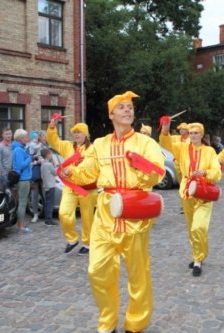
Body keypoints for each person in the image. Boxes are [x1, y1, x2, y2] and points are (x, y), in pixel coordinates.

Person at [63, 91, 165, 333]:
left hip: (135, 210)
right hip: (106, 212)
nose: (128, 110)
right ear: (111, 114)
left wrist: (141, 165)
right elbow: (88, 172)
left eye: (130, 107)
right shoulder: (100, 144)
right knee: (96, 270)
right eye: (121, 107)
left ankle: (135, 324)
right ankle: (107, 323)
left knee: (138, 273)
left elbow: (158, 173)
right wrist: (72, 174)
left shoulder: (146, 142)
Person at [160, 121, 222, 277]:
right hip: (187, 190)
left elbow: (217, 171)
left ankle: (199, 257)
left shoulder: (209, 151)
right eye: (191, 133)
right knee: (191, 227)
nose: (193, 136)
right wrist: (165, 128)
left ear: (202, 135)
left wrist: (205, 173)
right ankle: (197, 256)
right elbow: (166, 143)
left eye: (196, 133)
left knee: (198, 227)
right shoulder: (182, 148)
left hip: (204, 191)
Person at [46, 122, 98, 255]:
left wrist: (71, 170)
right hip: (70, 187)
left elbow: (88, 167)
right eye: (74, 132)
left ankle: (88, 244)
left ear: (86, 134)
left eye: (79, 132)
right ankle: (72, 239)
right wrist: (52, 128)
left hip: (87, 189)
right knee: (64, 213)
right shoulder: (68, 146)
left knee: (87, 218)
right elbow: (54, 141)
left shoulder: (92, 150)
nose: (76, 135)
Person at [12, 129, 33, 233]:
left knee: (21, 202)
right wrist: (30, 158)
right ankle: (21, 226)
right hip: (23, 179)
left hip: (23, 179)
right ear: (21, 139)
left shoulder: (19, 148)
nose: (27, 139)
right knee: (23, 203)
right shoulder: (19, 150)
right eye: (25, 137)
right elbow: (21, 165)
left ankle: (20, 224)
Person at [27, 130, 44, 223]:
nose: (37, 139)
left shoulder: (42, 146)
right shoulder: (31, 146)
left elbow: (47, 156)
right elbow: (28, 161)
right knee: (34, 195)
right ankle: (35, 214)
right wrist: (36, 161)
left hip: (43, 174)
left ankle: (46, 215)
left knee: (43, 195)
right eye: (36, 137)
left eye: (38, 137)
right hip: (34, 174)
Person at [40, 148, 58, 226]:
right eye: (50, 154)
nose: (51, 156)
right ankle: (49, 220)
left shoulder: (43, 164)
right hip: (51, 185)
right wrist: (56, 165)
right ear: (47, 155)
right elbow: (55, 173)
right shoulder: (49, 164)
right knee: (50, 203)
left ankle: (47, 219)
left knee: (47, 203)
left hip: (46, 185)